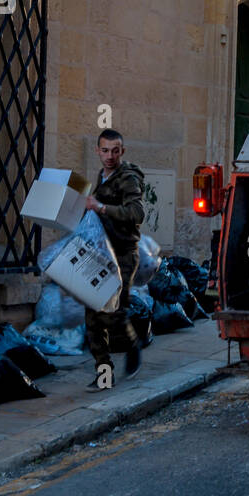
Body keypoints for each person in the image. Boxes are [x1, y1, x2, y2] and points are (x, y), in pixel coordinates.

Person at [83, 129, 146, 390]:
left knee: (114, 312)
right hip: (100, 253)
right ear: (97, 151)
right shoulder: (101, 176)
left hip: (123, 253)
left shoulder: (128, 179)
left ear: (123, 151)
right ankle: (104, 373)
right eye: (105, 150)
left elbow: (137, 213)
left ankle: (133, 345)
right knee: (92, 316)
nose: (110, 156)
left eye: (115, 150)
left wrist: (100, 207)